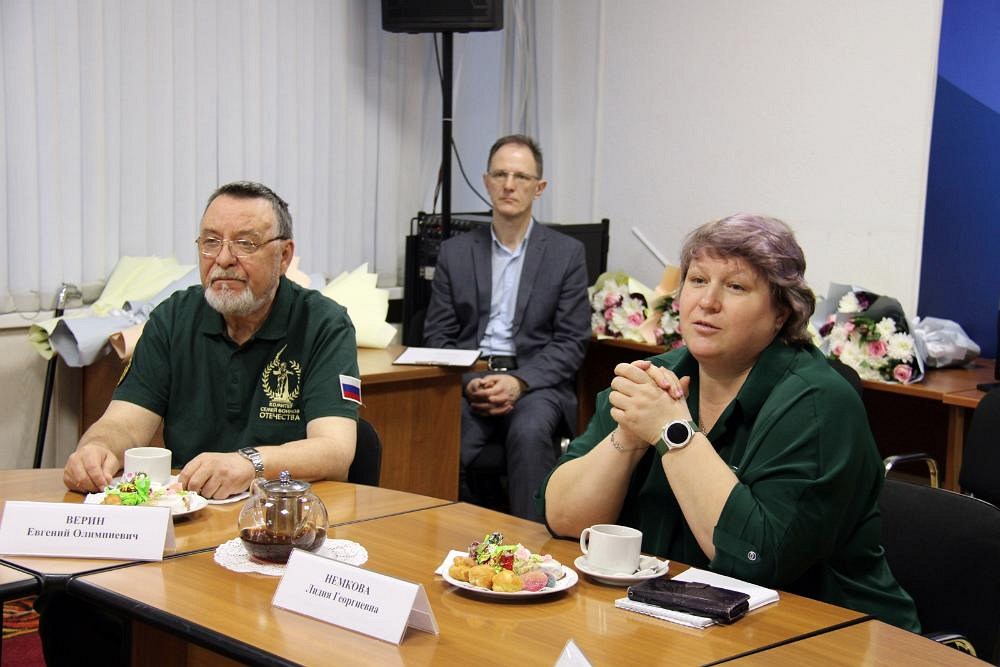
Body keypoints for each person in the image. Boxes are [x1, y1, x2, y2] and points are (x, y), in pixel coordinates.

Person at [538, 214, 920, 630]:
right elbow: (564, 520)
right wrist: (629, 437)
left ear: (781, 313)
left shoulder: (819, 404)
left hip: (831, 635)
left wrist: (673, 433)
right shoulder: (656, 379)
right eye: (698, 280)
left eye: (736, 286)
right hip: (677, 621)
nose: (708, 301)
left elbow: (757, 558)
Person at [63, 180, 360, 495]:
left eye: (245, 243)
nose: (223, 258)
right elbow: (124, 424)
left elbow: (335, 451)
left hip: (284, 511)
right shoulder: (172, 319)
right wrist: (96, 449)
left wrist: (249, 464)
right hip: (193, 507)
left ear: (284, 256)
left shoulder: (324, 324)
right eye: (211, 242)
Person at [422, 134, 591, 520]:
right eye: (500, 174)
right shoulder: (455, 252)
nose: (509, 185)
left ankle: (532, 545)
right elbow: (438, 337)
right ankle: (439, 538)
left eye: (521, 177)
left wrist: (519, 381)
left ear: (539, 188)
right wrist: (469, 381)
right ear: (486, 182)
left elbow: (571, 342)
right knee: (438, 433)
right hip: (471, 379)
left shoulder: (566, 254)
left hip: (536, 384)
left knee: (529, 432)